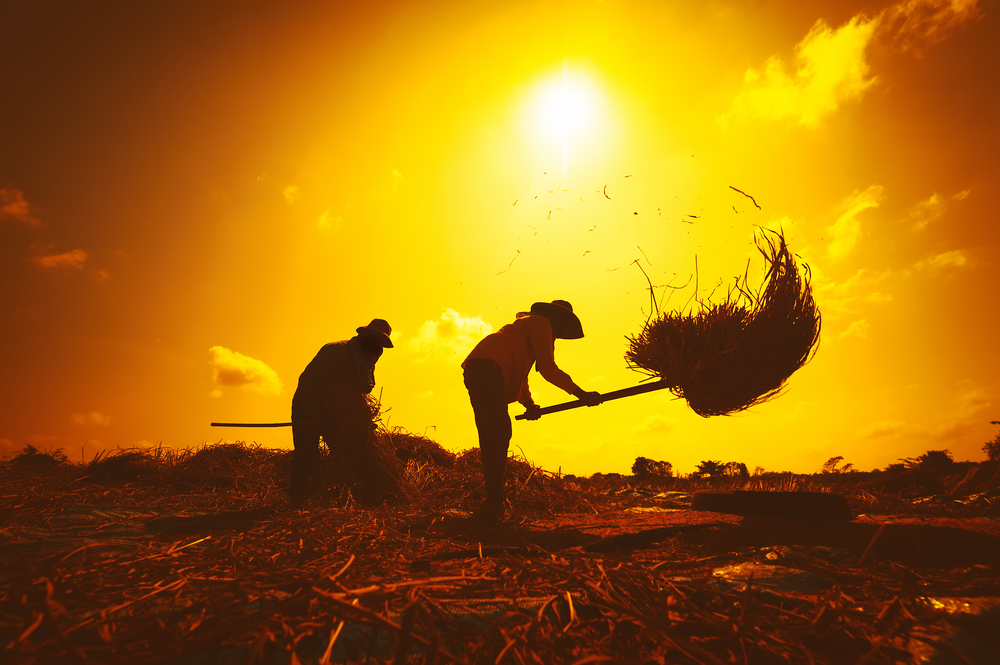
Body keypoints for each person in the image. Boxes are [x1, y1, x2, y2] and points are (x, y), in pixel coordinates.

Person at [463, 300, 602, 521]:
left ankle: (494, 502)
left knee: (493, 434)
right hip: (487, 369)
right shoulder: (541, 323)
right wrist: (581, 394)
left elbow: (521, 373)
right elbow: (547, 369)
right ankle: (494, 504)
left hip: (478, 368)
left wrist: (529, 404)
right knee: (497, 434)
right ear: (557, 318)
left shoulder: (523, 330)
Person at [290, 319, 393, 506]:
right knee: (307, 455)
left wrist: (362, 418)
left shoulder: (367, 358)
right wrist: (316, 415)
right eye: (375, 338)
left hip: (336, 415)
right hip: (307, 406)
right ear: (364, 335)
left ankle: (336, 500)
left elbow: (358, 391)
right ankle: (297, 502)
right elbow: (308, 383)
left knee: (347, 455)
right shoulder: (335, 351)